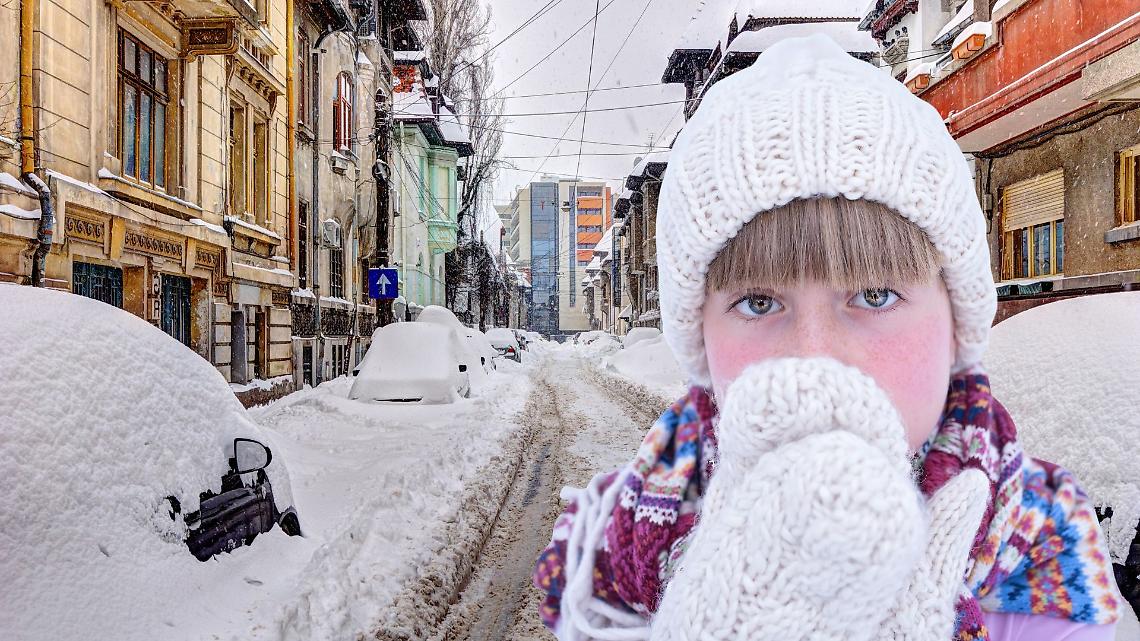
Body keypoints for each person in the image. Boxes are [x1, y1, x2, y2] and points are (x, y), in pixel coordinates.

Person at [533, 35, 1124, 641]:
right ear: (700, 342)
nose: (816, 357)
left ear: (956, 327)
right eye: (759, 302)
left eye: (874, 295)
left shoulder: (1043, 543)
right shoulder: (602, 545)